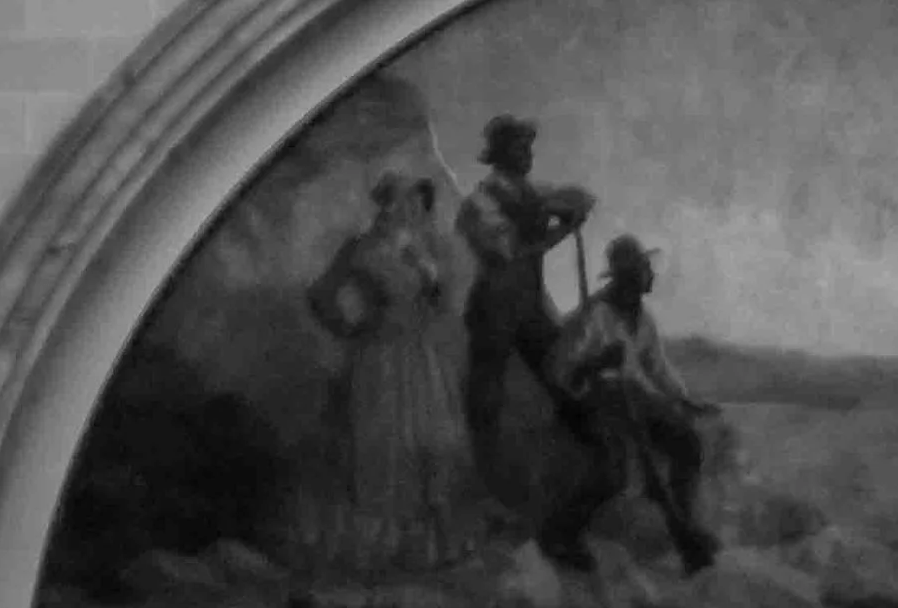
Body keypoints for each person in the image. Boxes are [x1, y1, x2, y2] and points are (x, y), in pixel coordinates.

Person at [300, 177, 489, 578]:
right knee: (385, 452)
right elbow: (319, 295)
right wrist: (349, 327)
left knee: (432, 445)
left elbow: (438, 303)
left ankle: (429, 551)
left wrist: (430, 278)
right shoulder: (362, 248)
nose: (418, 211)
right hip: (381, 360)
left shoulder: (414, 250)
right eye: (411, 203)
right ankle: (380, 555)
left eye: (421, 205)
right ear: (393, 203)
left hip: (421, 358)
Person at [539, 231, 721, 573]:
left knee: (687, 442)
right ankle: (559, 534)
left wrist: (684, 400)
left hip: (635, 399)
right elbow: (559, 369)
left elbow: (657, 368)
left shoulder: (643, 318)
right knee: (613, 471)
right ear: (628, 276)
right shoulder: (595, 315)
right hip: (597, 402)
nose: (651, 274)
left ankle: (685, 523)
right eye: (643, 269)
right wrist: (595, 364)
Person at [454, 114, 595, 476]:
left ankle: (585, 458)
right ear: (500, 154)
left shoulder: (534, 192)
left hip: (528, 304)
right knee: (486, 393)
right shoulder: (480, 202)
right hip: (495, 306)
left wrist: (566, 210)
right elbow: (509, 251)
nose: (528, 155)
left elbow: (582, 198)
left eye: (529, 148)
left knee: (560, 370)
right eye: (521, 148)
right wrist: (560, 229)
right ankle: (483, 470)